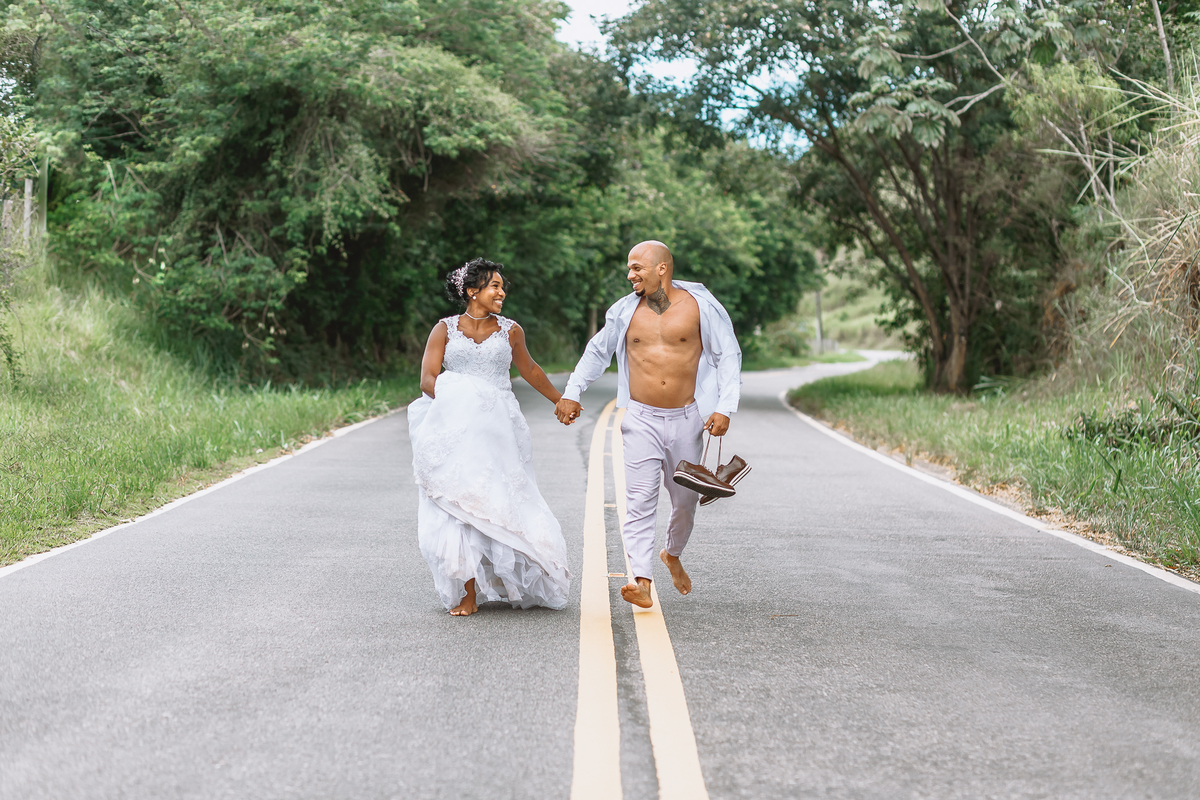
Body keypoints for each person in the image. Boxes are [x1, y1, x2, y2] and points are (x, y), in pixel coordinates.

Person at [555, 241, 741, 607]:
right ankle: (642, 581)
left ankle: (672, 554)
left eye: (637, 267)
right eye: (629, 268)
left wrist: (725, 407)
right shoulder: (624, 311)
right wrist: (572, 391)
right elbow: (597, 352)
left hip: (686, 419)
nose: (630, 275)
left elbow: (729, 355)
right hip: (641, 419)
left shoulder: (699, 307)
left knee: (685, 503)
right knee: (639, 501)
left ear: (662, 268)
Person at [408, 258, 570, 616]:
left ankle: (515, 578)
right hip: (457, 427)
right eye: (495, 286)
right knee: (461, 505)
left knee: (501, 499)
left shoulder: (511, 330)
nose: (502, 292)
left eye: (502, 287)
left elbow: (529, 369)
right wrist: (462, 402)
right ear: (472, 291)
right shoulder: (444, 330)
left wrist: (560, 400)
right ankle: (468, 593)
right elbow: (428, 379)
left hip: (500, 429)